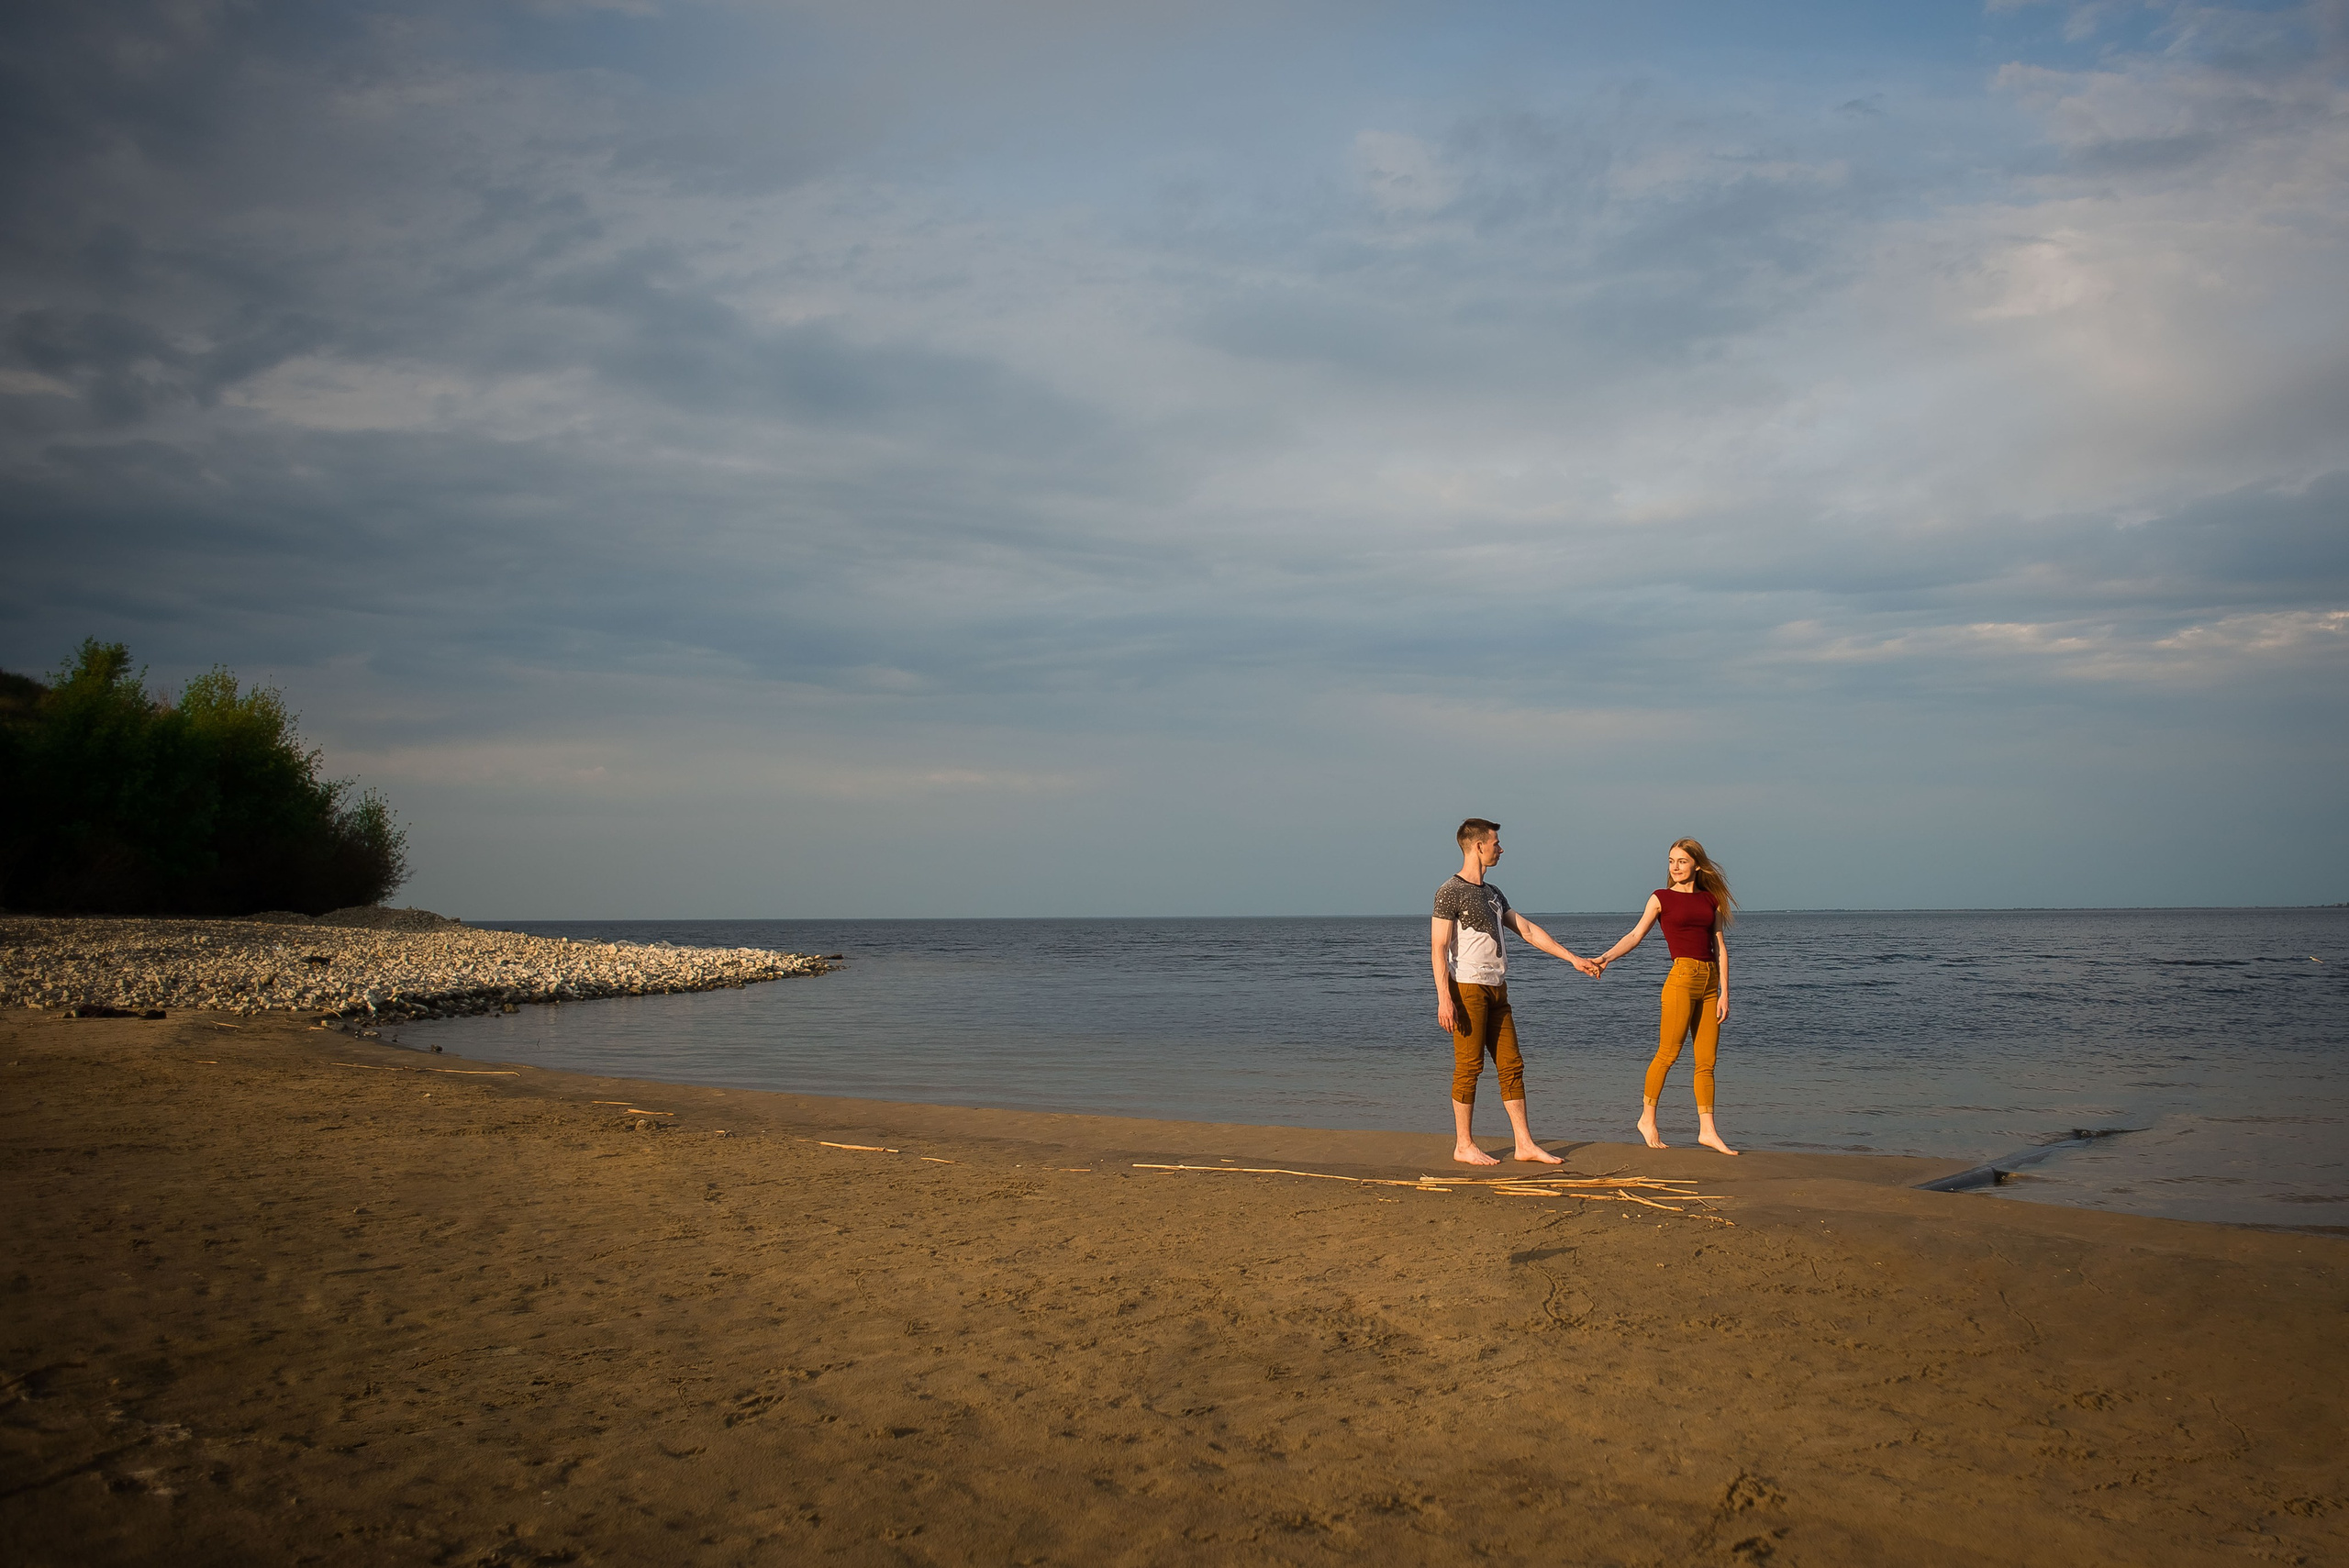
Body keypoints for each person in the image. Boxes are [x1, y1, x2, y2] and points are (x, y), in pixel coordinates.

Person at [1431, 818, 1604, 1166]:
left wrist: (1572, 958)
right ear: (1478, 846)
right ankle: (1463, 1145)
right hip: (1466, 988)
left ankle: (1524, 1144)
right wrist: (1444, 998)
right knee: (1469, 1066)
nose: (1501, 848)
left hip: (1498, 989)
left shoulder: (1493, 893)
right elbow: (1438, 948)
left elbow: (1525, 928)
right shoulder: (1450, 891)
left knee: (1512, 1066)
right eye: (1496, 842)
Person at [1591, 838, 1739, 1155]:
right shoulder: (1661, 898)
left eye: (1682, 861)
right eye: (1671, 861)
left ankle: (1708, 1130)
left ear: (1696, 865)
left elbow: (1720, 948)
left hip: (1710, 981)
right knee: (1668, 1054)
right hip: (1681, 979)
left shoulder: (1710, 900)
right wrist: (1606, 958)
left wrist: (1726, 992)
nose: (1675, 867)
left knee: (1706, 1062)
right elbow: (1635, 935)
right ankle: (1647, 1118)